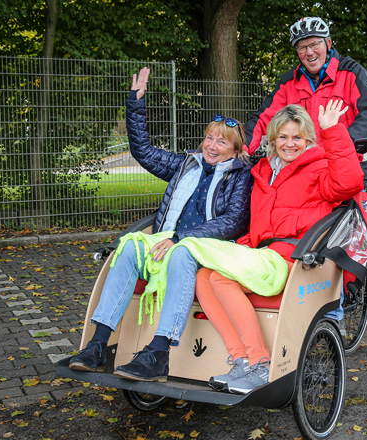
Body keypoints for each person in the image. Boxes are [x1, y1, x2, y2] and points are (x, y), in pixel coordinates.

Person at [68, 67, 253, 381]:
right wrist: (136, 102)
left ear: (235, 150)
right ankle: (98, 345)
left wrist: (181, 237)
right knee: (128, 249)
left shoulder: (241, 175)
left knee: (182, 253)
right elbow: (143, 151)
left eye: (222, 142)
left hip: (209, 247)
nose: (211, 145)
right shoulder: (186, 164)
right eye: (209, 137)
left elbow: (234, 221)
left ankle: (158, 352)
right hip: (170, 238)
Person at [196, 102, 364, 394]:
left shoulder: (319, 167)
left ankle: (260, 363)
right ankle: (240, 360)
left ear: (308, 139)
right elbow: (259, 226)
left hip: (295, 258)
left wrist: (333, 130)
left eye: (297, 137)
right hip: (263, 254)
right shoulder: (263, 172)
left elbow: (349, 183)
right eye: (283, 137)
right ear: (272, 140)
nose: (290, 144)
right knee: (203, 276)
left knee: (222, 279)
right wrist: (242, 246)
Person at [244, 16, 367, 189]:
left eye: (315, 44)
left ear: (328, 44)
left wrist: (340, 149)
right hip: (301, 169)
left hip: (346, 168)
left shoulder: (352, 73)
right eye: (302, 47)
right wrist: (241, 147)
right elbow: (263, 119)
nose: (309, 52)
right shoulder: (288, 83)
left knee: (346, 215)